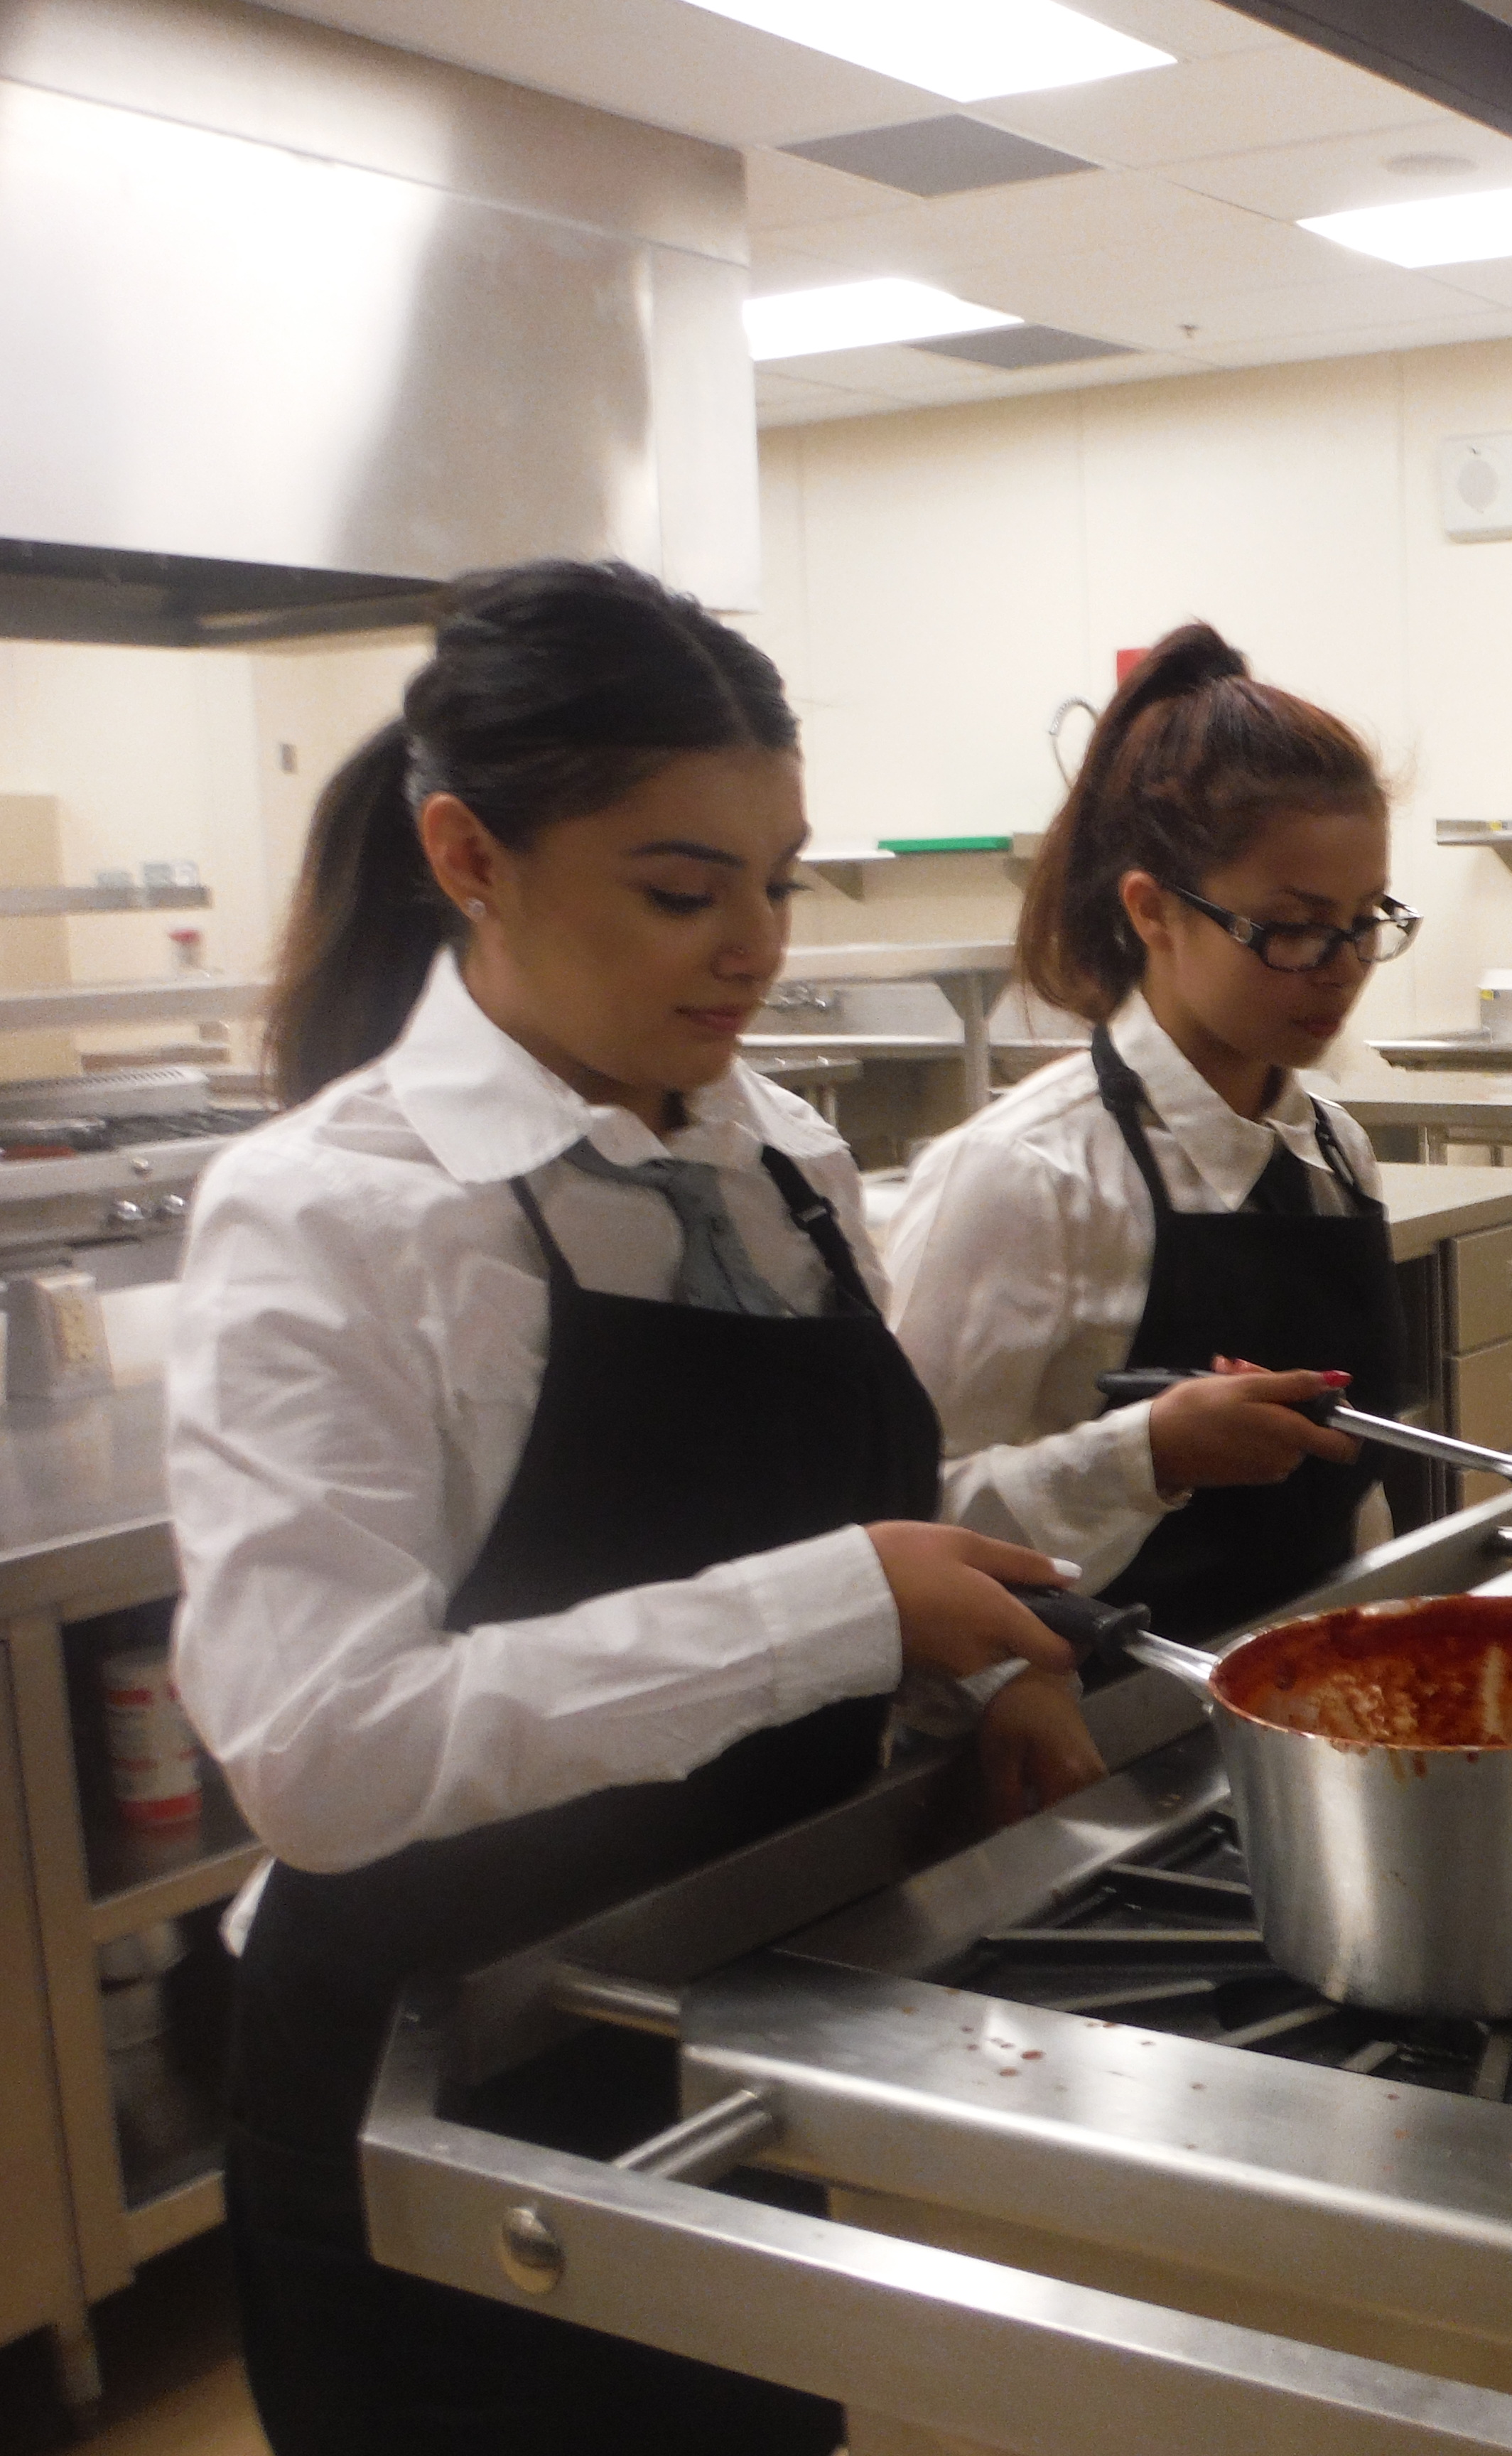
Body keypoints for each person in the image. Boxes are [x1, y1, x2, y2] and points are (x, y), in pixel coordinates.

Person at [168, 560, 1103, 2456]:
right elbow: (321, 1757)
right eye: (682, 891)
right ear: (469, 856)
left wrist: (983, 1670)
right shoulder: (331, 1214)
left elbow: (872, 1507)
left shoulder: (784, 1157)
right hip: (436, 2084)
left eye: (779, 879)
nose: (751, 944)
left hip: (726, 2028)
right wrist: (844, 1611)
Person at [885, 623, 1416, 1642]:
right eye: (1294, 925)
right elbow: (905, 1523)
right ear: (1153, 911)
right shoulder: (1024, 1174)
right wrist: (1146, 1456)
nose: (1341, 965)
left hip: (1308, 1695)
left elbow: (1345, 1494)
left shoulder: (1333, 1153)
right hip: (1098, 1728)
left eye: (1366, 920)